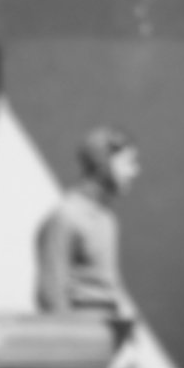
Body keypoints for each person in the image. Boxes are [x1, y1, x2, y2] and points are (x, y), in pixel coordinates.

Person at [33, 129, 139, 344]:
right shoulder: (66, 217)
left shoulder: (107, 219)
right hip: (81, 335)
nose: (134, 171)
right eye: (127, 163)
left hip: (108, 333)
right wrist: (70, 344)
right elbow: (51, 294)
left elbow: (107, 285)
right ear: (103, 164)